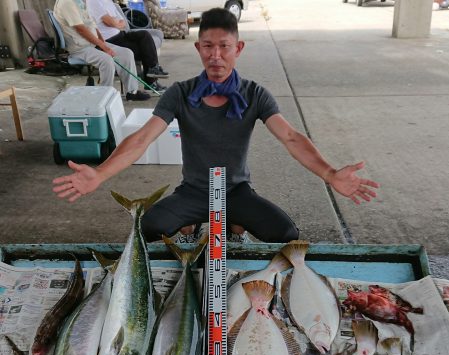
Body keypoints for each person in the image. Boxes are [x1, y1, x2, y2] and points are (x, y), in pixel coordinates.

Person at [52, 8, 379, 243]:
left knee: (286, 235)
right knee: (148, 229)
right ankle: (191, 227)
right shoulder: (180, 93)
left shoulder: (255, 94)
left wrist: (330, 173)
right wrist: (100, 173)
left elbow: (291, 137)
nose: (216, 56)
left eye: (225, 46)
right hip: (193, 191)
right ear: (198, 49)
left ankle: (233, 225)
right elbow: (141, 139)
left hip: (236, 190)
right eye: (208, 46)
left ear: (238, 49)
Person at [54, 0, 150, 101]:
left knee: (126, 53)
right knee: (106, 60)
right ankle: (104, 96)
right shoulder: (67, 2)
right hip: (80, 47)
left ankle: (132, 92)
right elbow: (81, 29)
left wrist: (102, 43)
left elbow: (92, 25)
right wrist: (103, 47)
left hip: (92, 43)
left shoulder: (80, 2)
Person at [87, 0, 169, 93]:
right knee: (145, 50)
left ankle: (153, 69)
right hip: (110, 41)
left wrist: (116, 23)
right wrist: (116, 23)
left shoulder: (108, 1)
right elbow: (107, 21)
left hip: (121, 35)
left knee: (144, 35)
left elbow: (122, 21)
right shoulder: (93, 1)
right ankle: (151, 82)